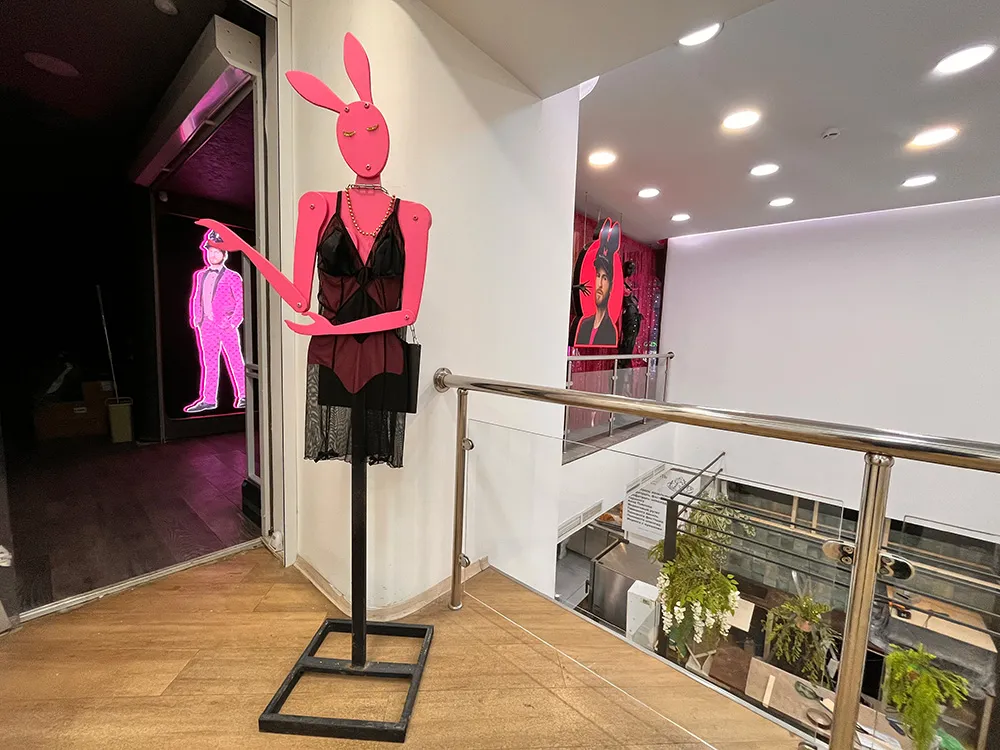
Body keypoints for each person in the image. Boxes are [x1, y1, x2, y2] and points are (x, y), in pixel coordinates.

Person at [184, 229, 246, 414]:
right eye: (210, 251)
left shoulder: (233, 277)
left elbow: (241, 302)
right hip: (207, 326)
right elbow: (196, 297)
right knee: (210, 363)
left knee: (235, 360)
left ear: (224, 254)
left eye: (217, 251)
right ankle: (209, 399)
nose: (212, 255)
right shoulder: (200, 275)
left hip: (226, 325)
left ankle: (244, 395)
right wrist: (196, 319)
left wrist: (233, 322)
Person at [574, 223, 619, 346]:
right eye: (598, 276)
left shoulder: (611, 331)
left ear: (611, 285)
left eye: (604, 278)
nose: (600, 284)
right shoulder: (584, 325)